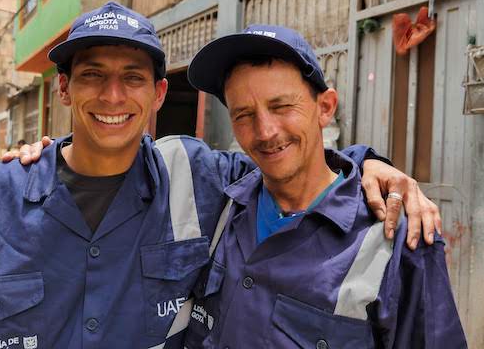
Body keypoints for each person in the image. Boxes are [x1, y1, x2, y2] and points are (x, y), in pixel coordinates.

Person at [0, 2, 438, 349]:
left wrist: (374, 164)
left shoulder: (197, 176)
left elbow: (295, 161)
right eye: (93, 76)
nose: (113, 97)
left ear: (158, 94)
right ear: (63, 89)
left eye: (133, 78)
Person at [182, 25, 466, 348]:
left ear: (325, 108)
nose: (264, 131)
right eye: (244, 115)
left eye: (281, 107)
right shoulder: (224, 203)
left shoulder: (399, 238)